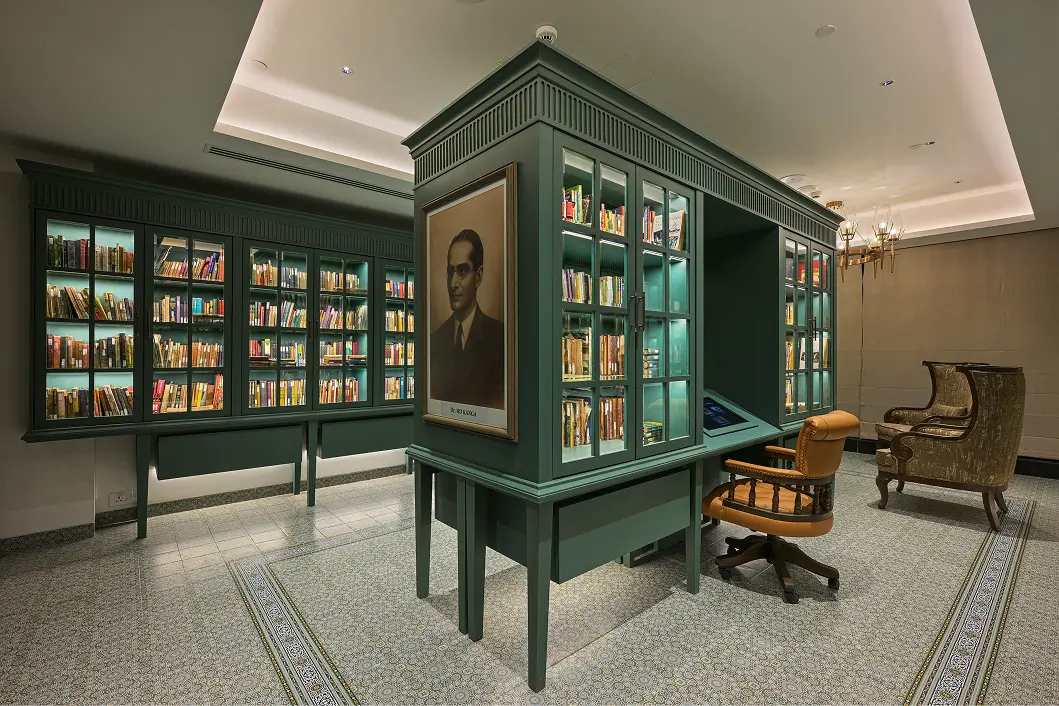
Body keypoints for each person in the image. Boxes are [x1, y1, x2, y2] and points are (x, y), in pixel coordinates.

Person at [430, 228, 505, 408]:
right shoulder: (435, 341)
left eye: (462, 271)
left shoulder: (500, 338)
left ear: (478, 277)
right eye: (451, 272)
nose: (453, 283)